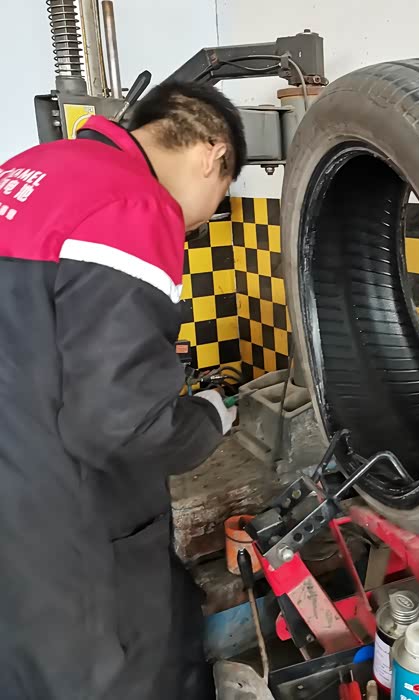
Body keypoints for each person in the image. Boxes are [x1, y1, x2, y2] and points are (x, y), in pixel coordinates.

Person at [0, 81, 246, 700]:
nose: (206, 217)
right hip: (65, 529)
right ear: (213, 155)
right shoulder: (134, 205)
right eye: (222, 194)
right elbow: (119, 424)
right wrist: (207, 417)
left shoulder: (29, 169)